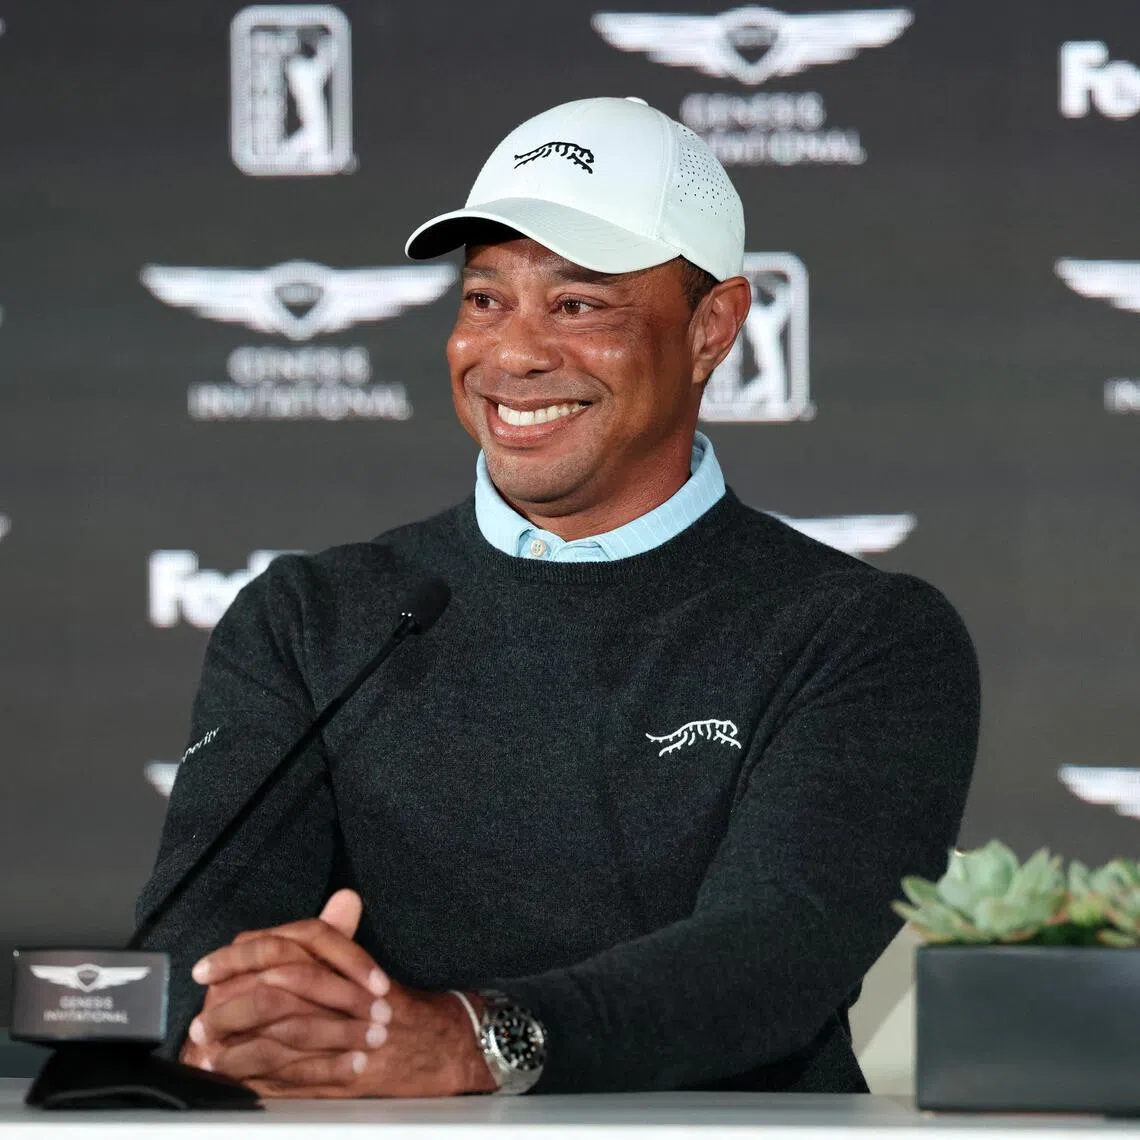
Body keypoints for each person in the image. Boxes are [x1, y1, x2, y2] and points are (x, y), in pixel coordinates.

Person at [136, 96, 979, 1099]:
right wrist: (243, 1016)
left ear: (712, 328)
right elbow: (204, 944)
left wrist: (468, 1040)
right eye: (485, 300)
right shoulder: (314, 618)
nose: (515, 354)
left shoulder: (862, 632)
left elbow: (776, 955)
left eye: (579, 304)